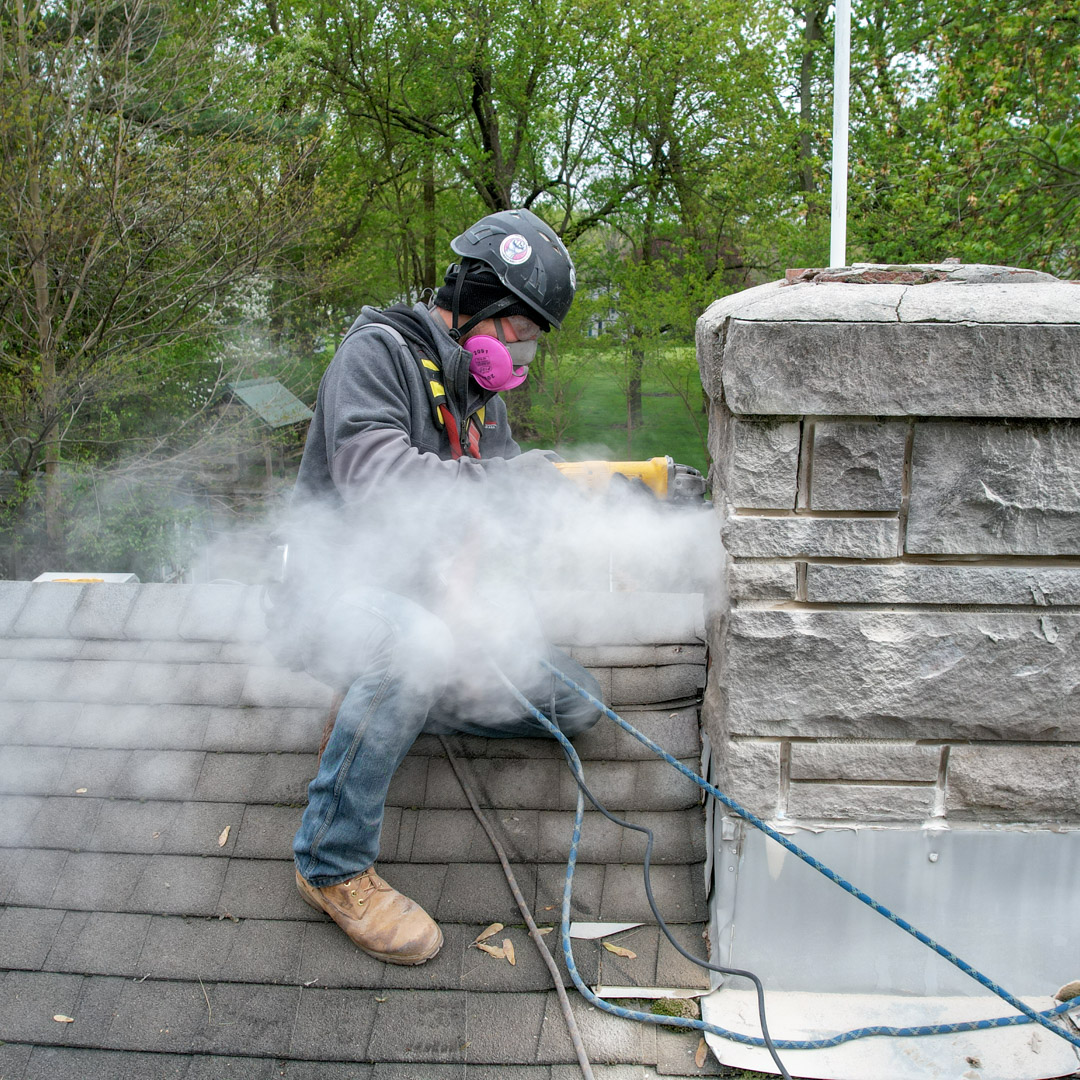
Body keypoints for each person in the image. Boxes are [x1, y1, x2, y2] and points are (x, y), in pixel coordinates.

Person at [274, 208, 603, 965]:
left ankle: (389, 710)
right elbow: (379, 482)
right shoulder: (376, 354)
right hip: (333, 599)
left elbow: (486, 523)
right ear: (482, 300)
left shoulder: (479, 393)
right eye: (522, 327)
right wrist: (502, 484)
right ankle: (330, 863)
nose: (524, 348)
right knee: (413, 643)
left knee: (573, 700)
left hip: (425, 604)